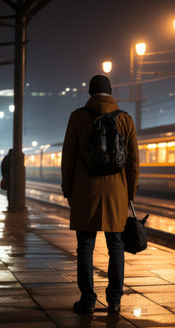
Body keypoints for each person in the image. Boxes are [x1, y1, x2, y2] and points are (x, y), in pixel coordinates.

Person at [61, 74, 139, 314]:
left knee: (85, 246)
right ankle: (114, 300)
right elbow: (134, 162)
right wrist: (130, 192)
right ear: (111, 92)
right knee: (116, 246)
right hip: (116, 192)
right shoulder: (125, 119)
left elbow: (68, 158)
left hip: (85, 191)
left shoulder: (77, 118)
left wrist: (68, 188)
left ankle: (87, 299)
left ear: (89, 93)